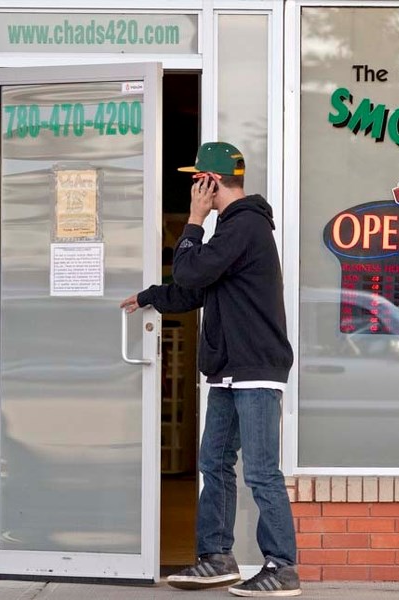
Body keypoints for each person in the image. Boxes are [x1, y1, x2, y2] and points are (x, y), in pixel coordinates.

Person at [120, 142, 300, 597]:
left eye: (198, 179)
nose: (195, 188)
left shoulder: (244, 227)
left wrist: (194, 221)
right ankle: (217, 557)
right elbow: (194, 289)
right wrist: (149, 298)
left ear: (212, 182)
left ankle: (281, 567)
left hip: (254, 368)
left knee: (260, 471)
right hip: (228, 369)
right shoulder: (233, 231)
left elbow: (192, 273)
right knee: (214, 463)